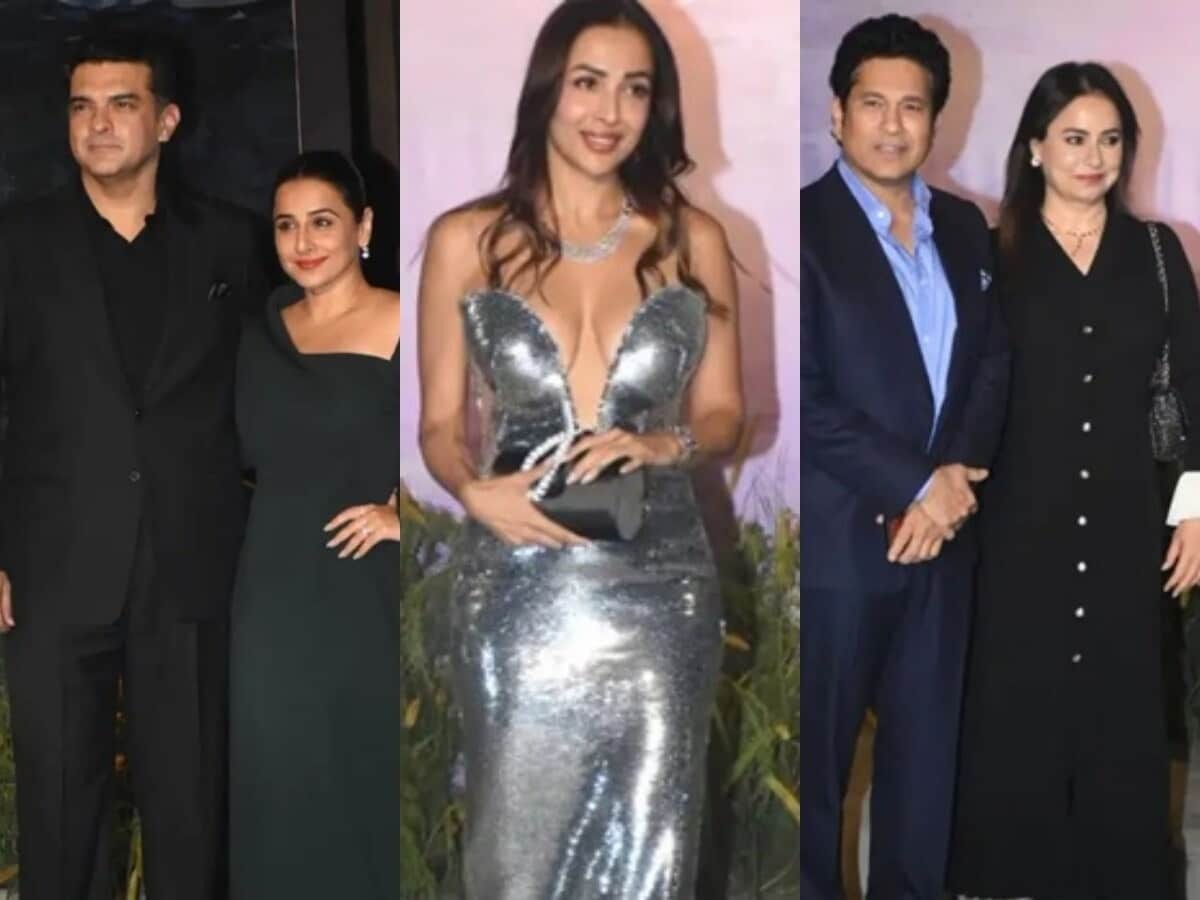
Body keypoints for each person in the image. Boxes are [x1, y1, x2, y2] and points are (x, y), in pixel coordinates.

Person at [416, 0, 743, 895]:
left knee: (653, 851)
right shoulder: (464, 240)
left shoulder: (693, 241)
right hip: (517, 577)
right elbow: (439, 425)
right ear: (547, 91)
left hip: (661, 586)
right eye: (588, 83)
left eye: (635, 89)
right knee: (514, 855)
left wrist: (664, 440)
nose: (610, 112)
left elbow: (726, 416)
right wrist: (471, 491)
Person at [0, 28, 268, 900]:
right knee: (56, 817)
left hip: (190, 562)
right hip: (51, 565)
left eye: (122, 104)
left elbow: (281, 387)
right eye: (82, 106)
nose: (99, 124)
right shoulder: (16, 243)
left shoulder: (230, 244)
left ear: (168, 120)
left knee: (189, 817)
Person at [949, 62, 1200, 900]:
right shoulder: (992, 255)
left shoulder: (1157, 253)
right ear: (1034, 147)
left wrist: (1195, 511)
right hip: (1018, 524)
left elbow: (1191, 387)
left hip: (1129, 522)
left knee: (1124, 710)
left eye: (1110, 140)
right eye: (1074, 138)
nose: (1094, 158)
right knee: (1016, 706)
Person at [799, 14, 1010, 899]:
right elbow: (805, 395)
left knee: (926, 779)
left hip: (943, 546)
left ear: (935, 120)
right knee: (812, 782)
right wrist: (917, 481)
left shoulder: (964, 225)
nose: (892, 125)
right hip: (839, 547)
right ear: (838, 113)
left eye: (912, 106)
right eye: (873, 103)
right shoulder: (799, 226)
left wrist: (950, 483)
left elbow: (993, 361)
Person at [228, 150, 400, 899]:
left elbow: (476, 442)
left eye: (322, 222)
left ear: (364, 226)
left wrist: (405, 515)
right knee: (280, 781)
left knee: (366, 778)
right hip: (271, 592)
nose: (303, 242)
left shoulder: (408, 319)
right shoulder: (258, 336)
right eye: (286, 225)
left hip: (368, 590)